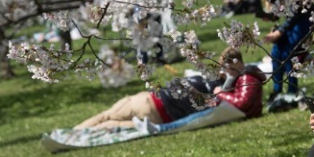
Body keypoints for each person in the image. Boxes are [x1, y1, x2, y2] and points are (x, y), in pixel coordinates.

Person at [74, 47, 265, 129]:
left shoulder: (215, 93)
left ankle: (74, 132)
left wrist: (222, 88)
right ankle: (75, 132)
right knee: (108, 123)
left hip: (152, 103)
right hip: (157, 112)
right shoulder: (215, 86)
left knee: (106, 117)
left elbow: (236, 99)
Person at [253, 0, 314, 104]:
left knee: (288, 54)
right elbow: (284, 11)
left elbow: (295, 12)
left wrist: (279, 32)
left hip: (303, 20)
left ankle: (292, 91)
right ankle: (277, 90)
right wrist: (272, 17)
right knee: (276, 52)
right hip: (294, 22)